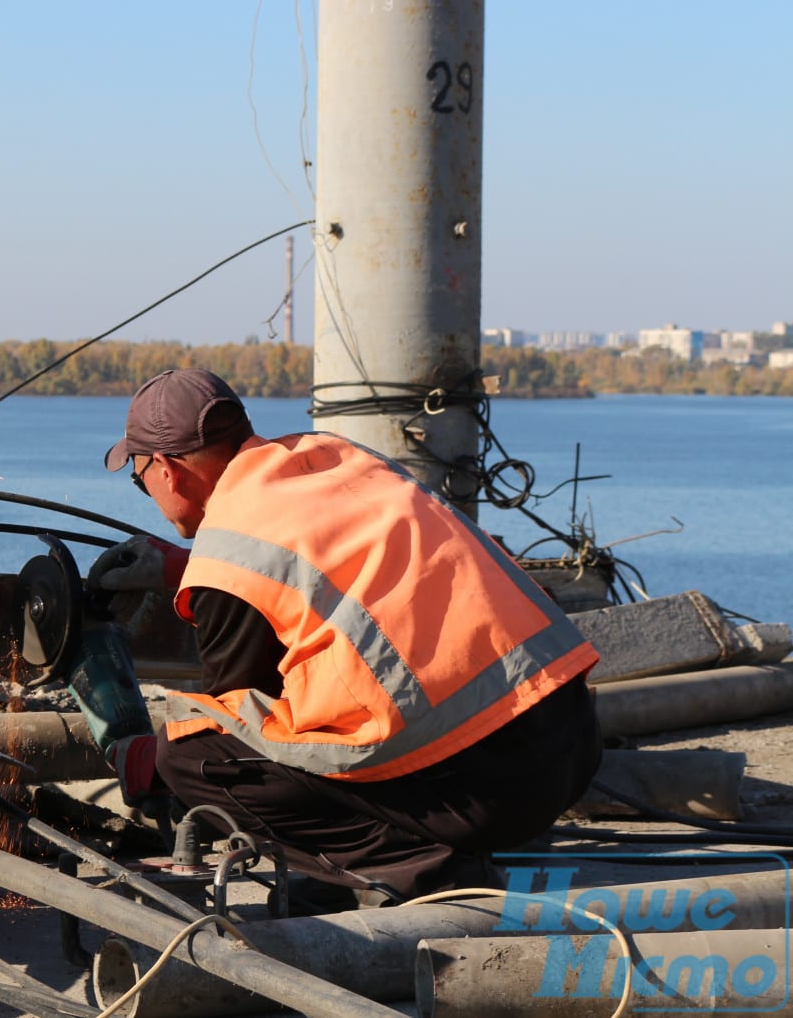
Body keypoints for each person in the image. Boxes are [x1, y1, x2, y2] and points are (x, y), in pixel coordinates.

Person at [84, 368, 602, 907]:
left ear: (165, 470)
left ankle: (417, 871)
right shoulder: (331, 456)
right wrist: (186, 568)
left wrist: (146, 762)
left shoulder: (230, 555)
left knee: (194, 757)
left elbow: (233, 719)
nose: (145, 488)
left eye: (137, 476)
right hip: (570, 746)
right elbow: (340, 562)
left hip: (487, 798)